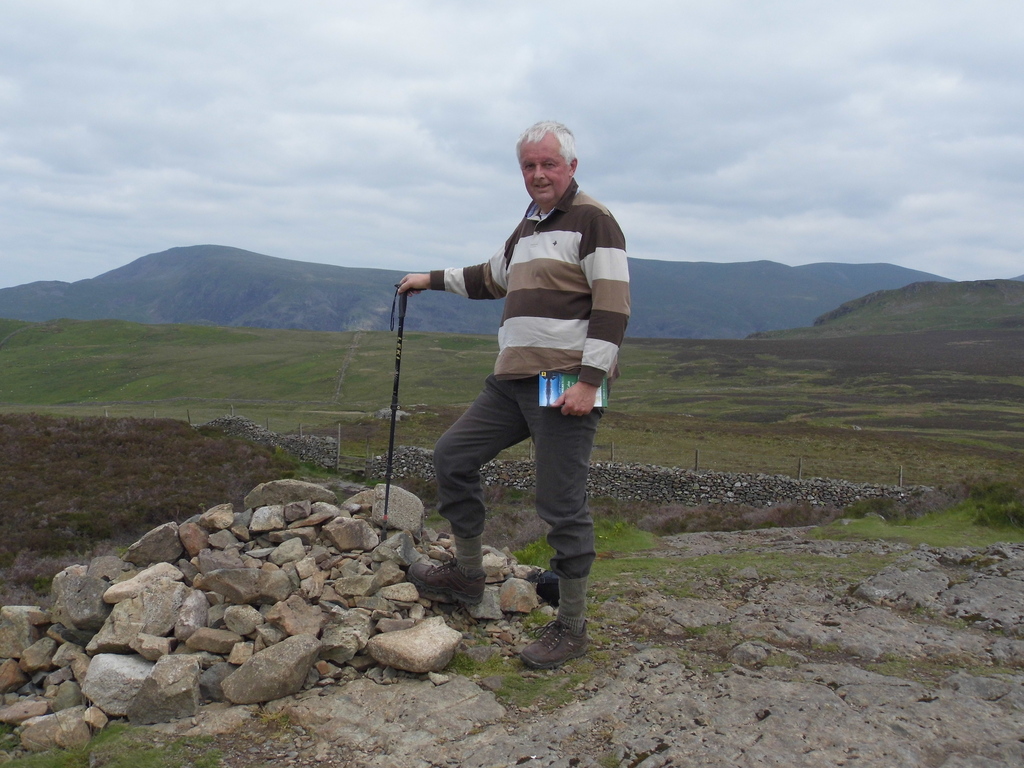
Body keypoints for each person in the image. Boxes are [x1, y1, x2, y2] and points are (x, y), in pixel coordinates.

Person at [398, 120, 630, 669]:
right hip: (513, 377)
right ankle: (466, 575)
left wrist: (590, 381)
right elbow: (493, 277)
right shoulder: (529, 224)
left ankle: (572, 626)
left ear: (571, 166)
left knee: (560, 502)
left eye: (549, 163)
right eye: (529, 165)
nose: (538, 174)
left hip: (564, 379)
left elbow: (613, 303)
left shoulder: (594, 220)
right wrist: (429, 279)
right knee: (453, 456)